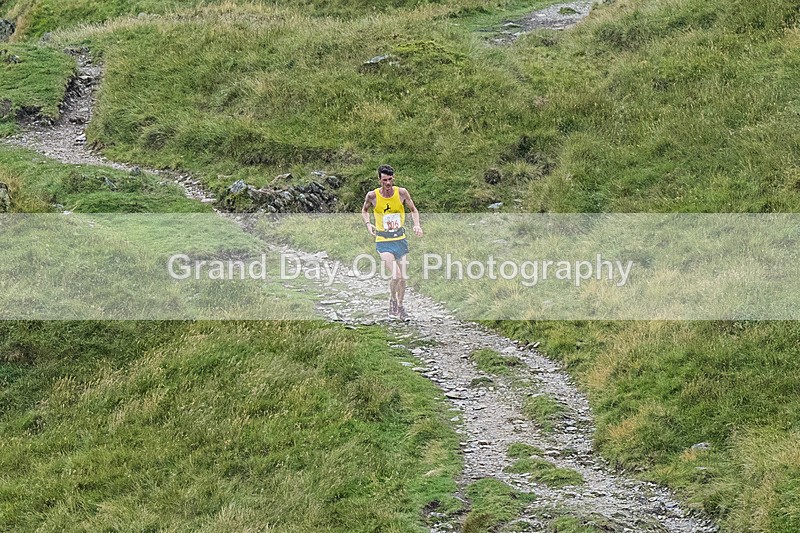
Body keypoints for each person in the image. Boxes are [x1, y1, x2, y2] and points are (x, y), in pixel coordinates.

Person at [361, 164, 423, 319]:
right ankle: (392, 300)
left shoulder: (401, 193)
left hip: (400, 239)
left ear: (393, 178)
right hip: (383, 240)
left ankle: (400, 306)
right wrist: (368, 224)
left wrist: (416, 225)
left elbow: (413, 210)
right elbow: (364, 210)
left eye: (389, 179)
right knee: (396, 275)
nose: (387, 183)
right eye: (384, 180)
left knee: (403, 278)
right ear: (379, 180)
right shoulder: (372, 196)